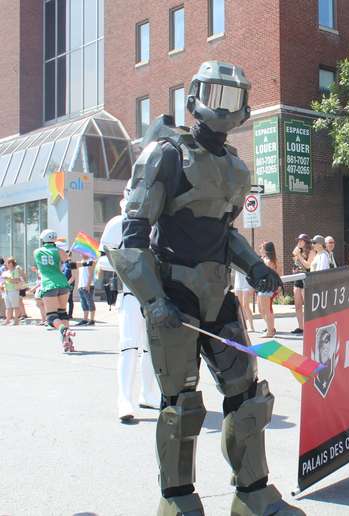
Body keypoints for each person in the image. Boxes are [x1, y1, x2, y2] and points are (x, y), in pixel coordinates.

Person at [108, 61, 299, 514]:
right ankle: (177, 501)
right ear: (194, 96)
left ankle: (253, 494)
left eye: (232, 98)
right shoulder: (165, 155)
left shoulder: (235, 168)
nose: (222, 106)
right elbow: (133, 238)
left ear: (245, 107)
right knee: (181, 406)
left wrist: (255, 267)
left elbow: (223, 233)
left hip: (220, 299)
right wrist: (153, 301)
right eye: (215, 94)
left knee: (247, 396)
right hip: (174, 296)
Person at [100, 201, 161, 422]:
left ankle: (148, 392)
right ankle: (124, 398)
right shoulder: (119, 223)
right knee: (129, 345)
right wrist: (128, 261)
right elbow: (103, 259)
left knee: (151, 347)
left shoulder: (160, 221)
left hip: (155, 295)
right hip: (131, 292)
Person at [33, 229, 75, 352]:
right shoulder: (61, 251)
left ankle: (64, 331)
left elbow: (43, 267)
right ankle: (67, 341)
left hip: (48, 284)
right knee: (62, 313)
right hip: (62, 283)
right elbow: (68, 264)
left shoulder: (36, 251)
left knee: (51, 317)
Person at [291, 234, 314, 335]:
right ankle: (301, 327)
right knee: (298, 306)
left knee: (307, 306)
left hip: (306, 280)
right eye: (298, 241)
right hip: (297, 280)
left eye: (301, 241)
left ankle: (310, 326)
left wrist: (299, 256)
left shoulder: (312, 251)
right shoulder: (297, 251)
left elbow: (308, 265)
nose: (299, 242)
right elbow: (296, 264)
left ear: (306, 242)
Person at [257, 241, 279, 338]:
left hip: (267, 288)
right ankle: (270, 328)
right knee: (261, 310)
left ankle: (270, 331)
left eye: (262, 248)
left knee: (267, 310)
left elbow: (271, 275)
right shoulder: (265, 259)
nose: (260, 249)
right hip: (262, 288)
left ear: (267, 250)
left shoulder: (269, 261)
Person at [74, 254, 96, 326]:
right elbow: (78, 274)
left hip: (87, 285)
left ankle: (92, 320)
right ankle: (85, 319)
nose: (81, 254)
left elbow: (91, 274)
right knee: (83, 303)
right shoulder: (81, 262)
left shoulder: (90, 261)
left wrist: (88, 285)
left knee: (90, 302)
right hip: (81, 285)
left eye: (83, 253)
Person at [1, 257, 23, 325]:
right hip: (6, 291)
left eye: (7, 263)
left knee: (15, 306)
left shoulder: (15, 271)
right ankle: (8, 320)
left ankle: (16, 320)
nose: (6, 264)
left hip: (14, 290)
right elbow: (2, 281)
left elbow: (17, 280)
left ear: (11, 263)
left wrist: (8, 279)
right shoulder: (5, 272)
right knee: (8, 307)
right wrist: (2, 284)